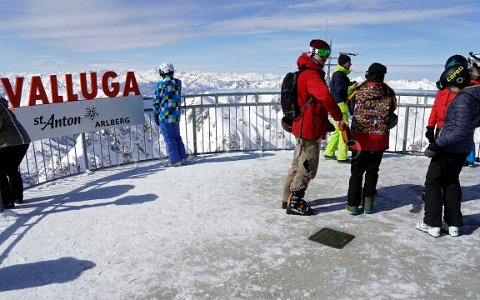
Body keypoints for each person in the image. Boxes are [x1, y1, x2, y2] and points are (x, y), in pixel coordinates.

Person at [282, 39, 345, 216]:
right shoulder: (311, 75)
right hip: (309, 127)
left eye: (328, 54)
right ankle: (295, 202)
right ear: (312, 52)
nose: (325, 58)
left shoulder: (305, 72)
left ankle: (287, 197)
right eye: (322, 53)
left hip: (302, 125)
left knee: (297, 162)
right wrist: (339, 118)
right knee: (308, 166)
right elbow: (326, 98)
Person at [417, 65, 480, 238]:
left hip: (449, 148)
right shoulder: (476, 94)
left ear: (458, 81)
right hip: (462, 148)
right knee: (451, 183)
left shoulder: (463, 99)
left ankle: (432, 223)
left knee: (433, 183)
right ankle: (452, 224)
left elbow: (458, 130)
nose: (449, 90)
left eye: (450, 86)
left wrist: (436, 145)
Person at [345, 63, 397, 215]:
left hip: (359, 139)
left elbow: (350, 108)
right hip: (379, 139)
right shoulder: (389, 93)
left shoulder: (358, 91)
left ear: (372, 75)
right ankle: (368, 205)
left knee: (356, 172)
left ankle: (353, 205)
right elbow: (392, 110)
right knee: (372, 171)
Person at [153, 63, 187, 167]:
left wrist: (155, 114)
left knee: (169, 139)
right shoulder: (178, 82)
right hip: (176, 115)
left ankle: (175, 161)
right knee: (177, 136)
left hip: (165, 116)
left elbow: (156, 101)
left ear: (163, 72)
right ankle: (183, 158)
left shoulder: (160, 84)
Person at [324, 54, 357, 163]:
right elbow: (340, 89)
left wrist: (349, 85)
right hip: (341, 106)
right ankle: (342, 157)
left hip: (336, 104)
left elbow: (339, 87)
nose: (350, 64)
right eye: (349, 62)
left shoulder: (337, 73)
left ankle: (329, 152)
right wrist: (352, 87)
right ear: (344, 63)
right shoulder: (340, 74)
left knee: (337, 131)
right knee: (344, 131)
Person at [0, 96, 31, 209]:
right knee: (11, 168)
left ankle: (7, 202)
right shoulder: (2, 105)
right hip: (23, 140)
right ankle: (17, 197)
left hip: (12, 142)